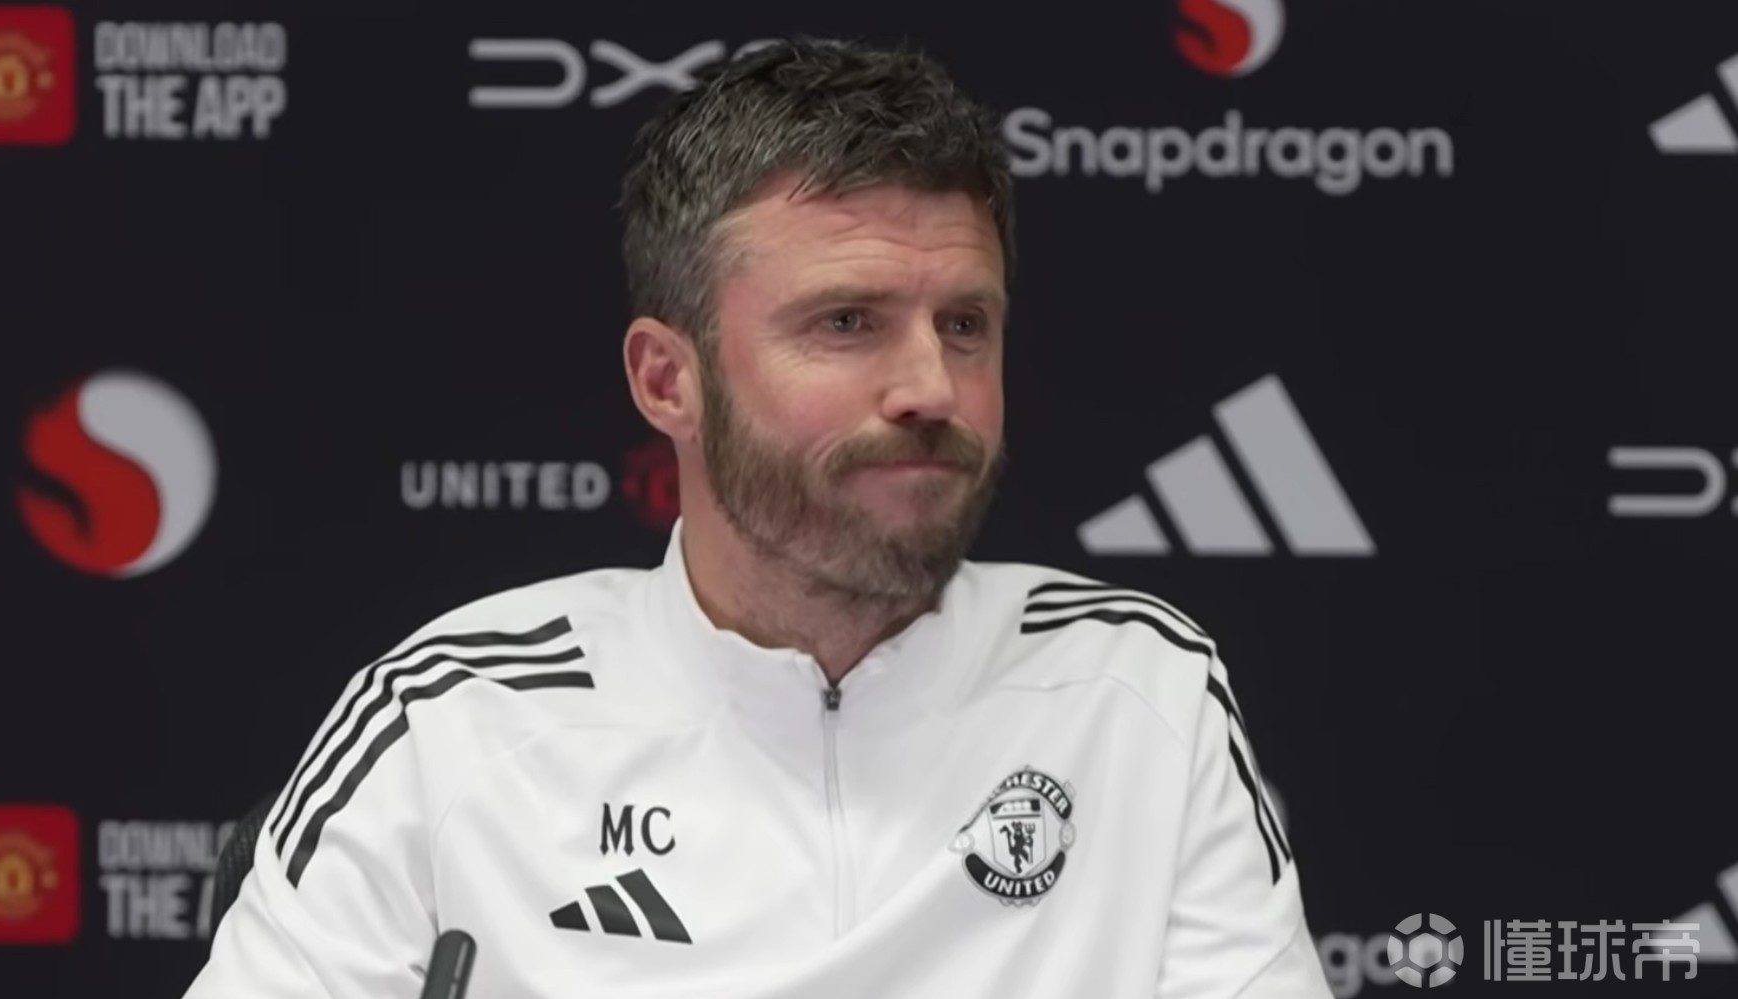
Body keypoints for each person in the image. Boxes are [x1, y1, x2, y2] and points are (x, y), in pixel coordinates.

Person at [183, 35, 1330, 998]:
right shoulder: (449, 724)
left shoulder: (1138, 690)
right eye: (846, 322)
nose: (930, 387)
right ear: (667, 380)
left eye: (964, 325)